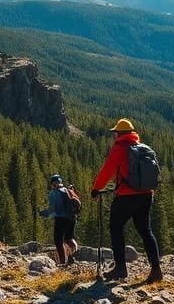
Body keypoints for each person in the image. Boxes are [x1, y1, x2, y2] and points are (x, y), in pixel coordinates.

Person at [91, 118, 162, 283]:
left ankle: (120, 269)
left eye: (115, 133)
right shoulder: (141, 147)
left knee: (115, 227)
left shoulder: (120, 147)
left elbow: (107, 170)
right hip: (146, 194)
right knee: (146, 230)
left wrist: (96, 189)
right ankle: (156, 269)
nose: (114, 135)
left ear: (120, 133)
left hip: (126, 196)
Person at [40, 174, 78, 267]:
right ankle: (72, 256)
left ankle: (62, 263)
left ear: (52, 183)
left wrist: (43, 213)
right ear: (60, 182)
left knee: (58, 241)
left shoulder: (53, 193)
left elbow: (52, 209)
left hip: (61, 219)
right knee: (69, 239)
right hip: (72, 218)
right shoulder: (67, 190)